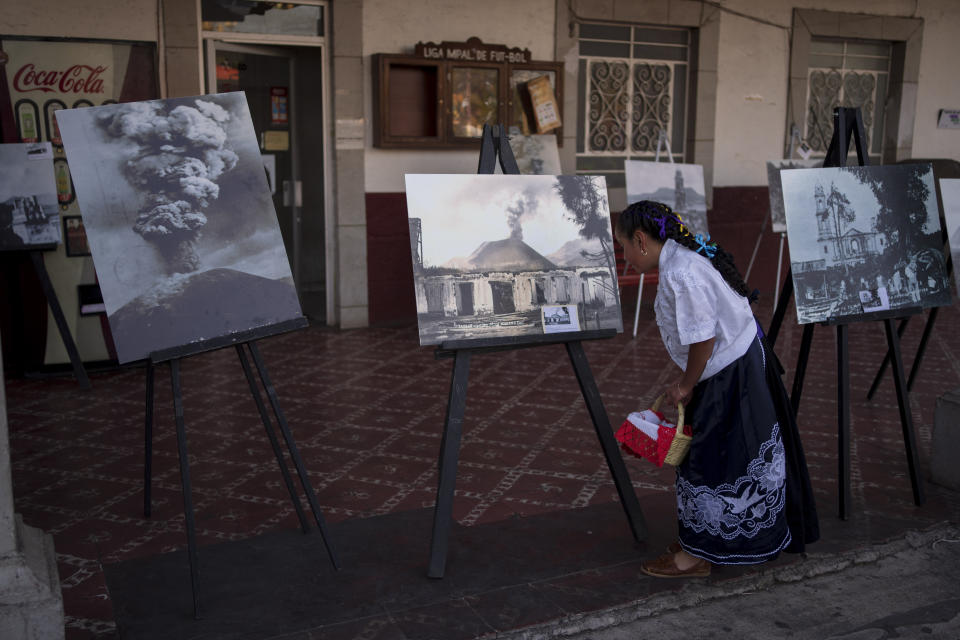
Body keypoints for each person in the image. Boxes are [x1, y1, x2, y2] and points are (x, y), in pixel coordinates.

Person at [615, 200, 819, 578]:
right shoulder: (682, 258)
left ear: (641, 241)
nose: (625, 257)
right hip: (733, 366)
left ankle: (698, 555)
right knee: (723, 457)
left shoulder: (681, 272)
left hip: (729, 373)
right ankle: (702, 541)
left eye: (624, 246)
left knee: (713, 458)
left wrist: (684, 386)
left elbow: (703, 339)